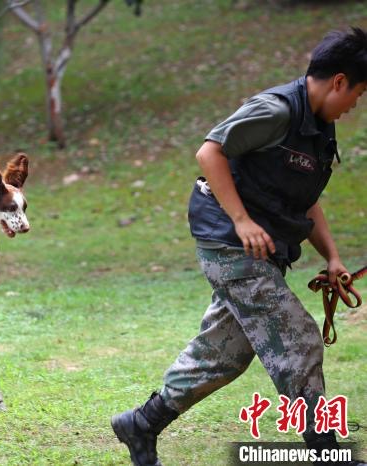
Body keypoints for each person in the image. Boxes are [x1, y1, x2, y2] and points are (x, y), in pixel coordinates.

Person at [111, 27, 367, 466]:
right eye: (359, 94)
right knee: (299, 338)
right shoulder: (276, 110)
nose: (356, 105)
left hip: (259, 249)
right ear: (339, 81)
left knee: (224, 353)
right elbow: (210, 153)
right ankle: (325, 454)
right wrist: (242, 220)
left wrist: (333, 257)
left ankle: (141, 423)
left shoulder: (318, 128)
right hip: (228, 241)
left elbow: (307, 200)